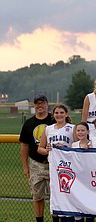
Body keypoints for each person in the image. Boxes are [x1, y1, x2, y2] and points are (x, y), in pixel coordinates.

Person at [19, 94, 55, 222]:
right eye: (37, 103)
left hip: (53, 163)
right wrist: (25, 166)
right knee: (37, 195)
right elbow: (24, 146)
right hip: (36, 163)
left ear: (47, 104)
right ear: (34, 106)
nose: (40, 106)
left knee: (55, 196)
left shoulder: (54, 120)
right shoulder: (29, 123)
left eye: (42, 103)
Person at [37, 103, 75, 222]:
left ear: (66, 114)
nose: (59, 115)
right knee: (56, 196)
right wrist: (47, 150)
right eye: (56, 113)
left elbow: (78, 145)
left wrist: (65, 147)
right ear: (53, 115)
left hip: (69, 167)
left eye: (61, 112)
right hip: (54, 167)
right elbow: (40, 149)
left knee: (70, 194)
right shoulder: (48, 129)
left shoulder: (72, 128)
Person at [71, 122, 94, 222]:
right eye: (78, 130)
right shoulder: (73, 145)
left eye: (83, 130)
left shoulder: (92, 144)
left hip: (89, 180)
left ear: (88, 132)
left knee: (89, 208)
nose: (80, 132)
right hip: (78, 180)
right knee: (78, 209)